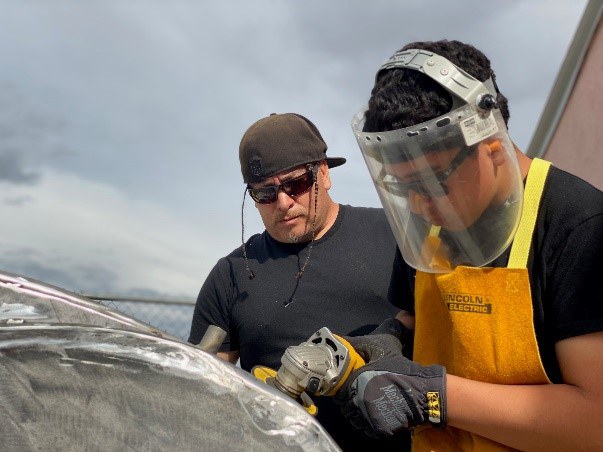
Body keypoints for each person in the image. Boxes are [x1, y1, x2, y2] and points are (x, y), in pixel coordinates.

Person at [335, 40, 603, 451]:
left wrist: (435, 396)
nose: (421, 205)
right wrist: (389, 340)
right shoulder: (429, 227)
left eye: (431, 183)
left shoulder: (579, 227)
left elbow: (593, 421)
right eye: (402, 187)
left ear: (492, 147)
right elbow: (415, 317)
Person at [188, 112, 412, 450]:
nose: (283, 202)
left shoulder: (395, 238)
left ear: (324, 173)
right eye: (265, 193)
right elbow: (205, 398)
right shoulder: (230, 275)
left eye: (295, 184)